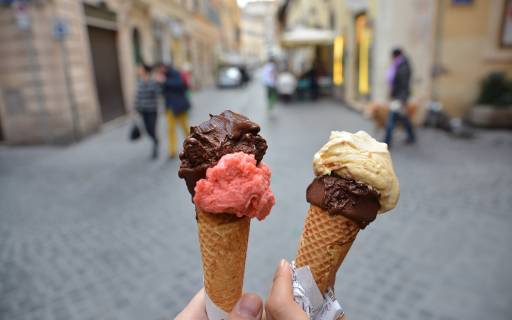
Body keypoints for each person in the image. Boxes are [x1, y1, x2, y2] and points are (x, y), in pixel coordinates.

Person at [156, 64, 191, 159]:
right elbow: (163, 91)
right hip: (169, 107)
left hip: (179, 106)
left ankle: (192, 145)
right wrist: (159, 82)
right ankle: (172, 150)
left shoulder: (176, 74)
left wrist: (165, 81)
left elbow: (179, 85)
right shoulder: (164, 76)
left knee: (185, 128)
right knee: (170, 129)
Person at [384, 48, 416, 147]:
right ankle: (411, 136)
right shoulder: (399, 65)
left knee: (391, 120)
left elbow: (404, 85)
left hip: (400, 98)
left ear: (395, 56)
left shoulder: (403, 67)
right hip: (398, 97)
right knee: (403, 117)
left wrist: (401, 99)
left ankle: (387, 142)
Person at [135, 64, 160, 159]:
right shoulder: (140, 82)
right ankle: (155, 140)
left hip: (152, 110)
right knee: (147, 130)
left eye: (140, 69)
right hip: (143, 110)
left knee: (151, 128)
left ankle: (155, 143)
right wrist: (136, 107)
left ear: (145, 71)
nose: (139, 70)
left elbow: (157, 93)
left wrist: (153, 83)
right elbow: (138, 96)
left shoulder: (153, 82)